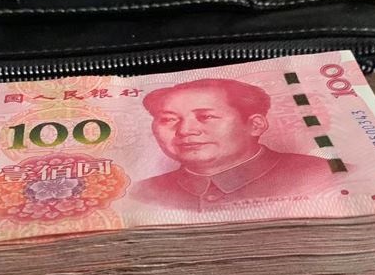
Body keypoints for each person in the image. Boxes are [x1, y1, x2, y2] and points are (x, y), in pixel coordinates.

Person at [130, 78, 333, 210]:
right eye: (168, 119)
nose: (185, 131)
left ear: (255, 125)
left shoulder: (324, 176)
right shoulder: (140, 193)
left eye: (206, 116)